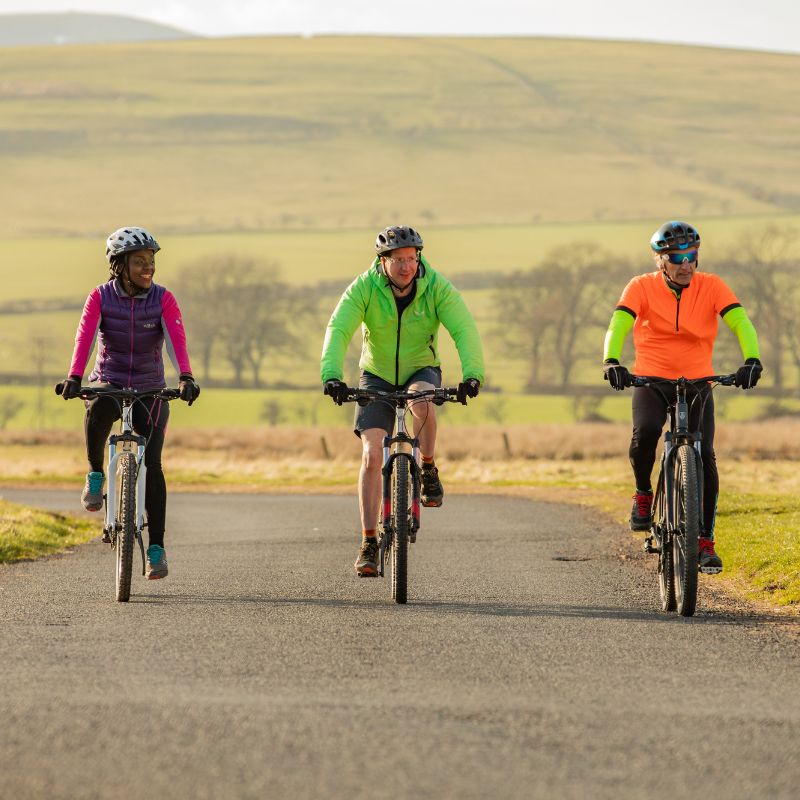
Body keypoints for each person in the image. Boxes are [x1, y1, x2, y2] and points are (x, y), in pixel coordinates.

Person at [320, 225, 484, 576]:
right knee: (371, 451)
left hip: (420, 368)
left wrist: (473, 374)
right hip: (375, 374)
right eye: (398, 260)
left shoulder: (436, 286)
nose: (406, 267)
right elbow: (339, 328)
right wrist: (331, 375)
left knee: (419, 400)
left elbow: (464, 328)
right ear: (382, 262)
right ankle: (368, 541)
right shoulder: (364, 287)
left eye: (411, 259)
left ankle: (427, 466)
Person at [602, 220, 762, 573]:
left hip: (699, 381)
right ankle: (644, 494)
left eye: (691, 255)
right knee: (645, 433)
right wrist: (612, 361)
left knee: (704, 455)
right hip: (652, 379)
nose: (685, 263)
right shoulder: (641, 286)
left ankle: (705, 541)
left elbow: (741, 322)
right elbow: (619, 324)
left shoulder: (712, 286)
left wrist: (751, 358)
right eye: (676, 257)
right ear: (660, 259)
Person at [59, 227, 200, 580]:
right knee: (98, 407)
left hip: (151, 386)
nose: (147, 267)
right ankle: (95, 473)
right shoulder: (100, 297)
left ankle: (156, 548)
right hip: (111, 378)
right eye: (139, 262)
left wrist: (185, 376)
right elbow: (85, 337)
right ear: (119, 265)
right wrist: (75, 377)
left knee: (152, 464)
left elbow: (175, 338)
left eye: (151, 261)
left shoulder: (163, 299)